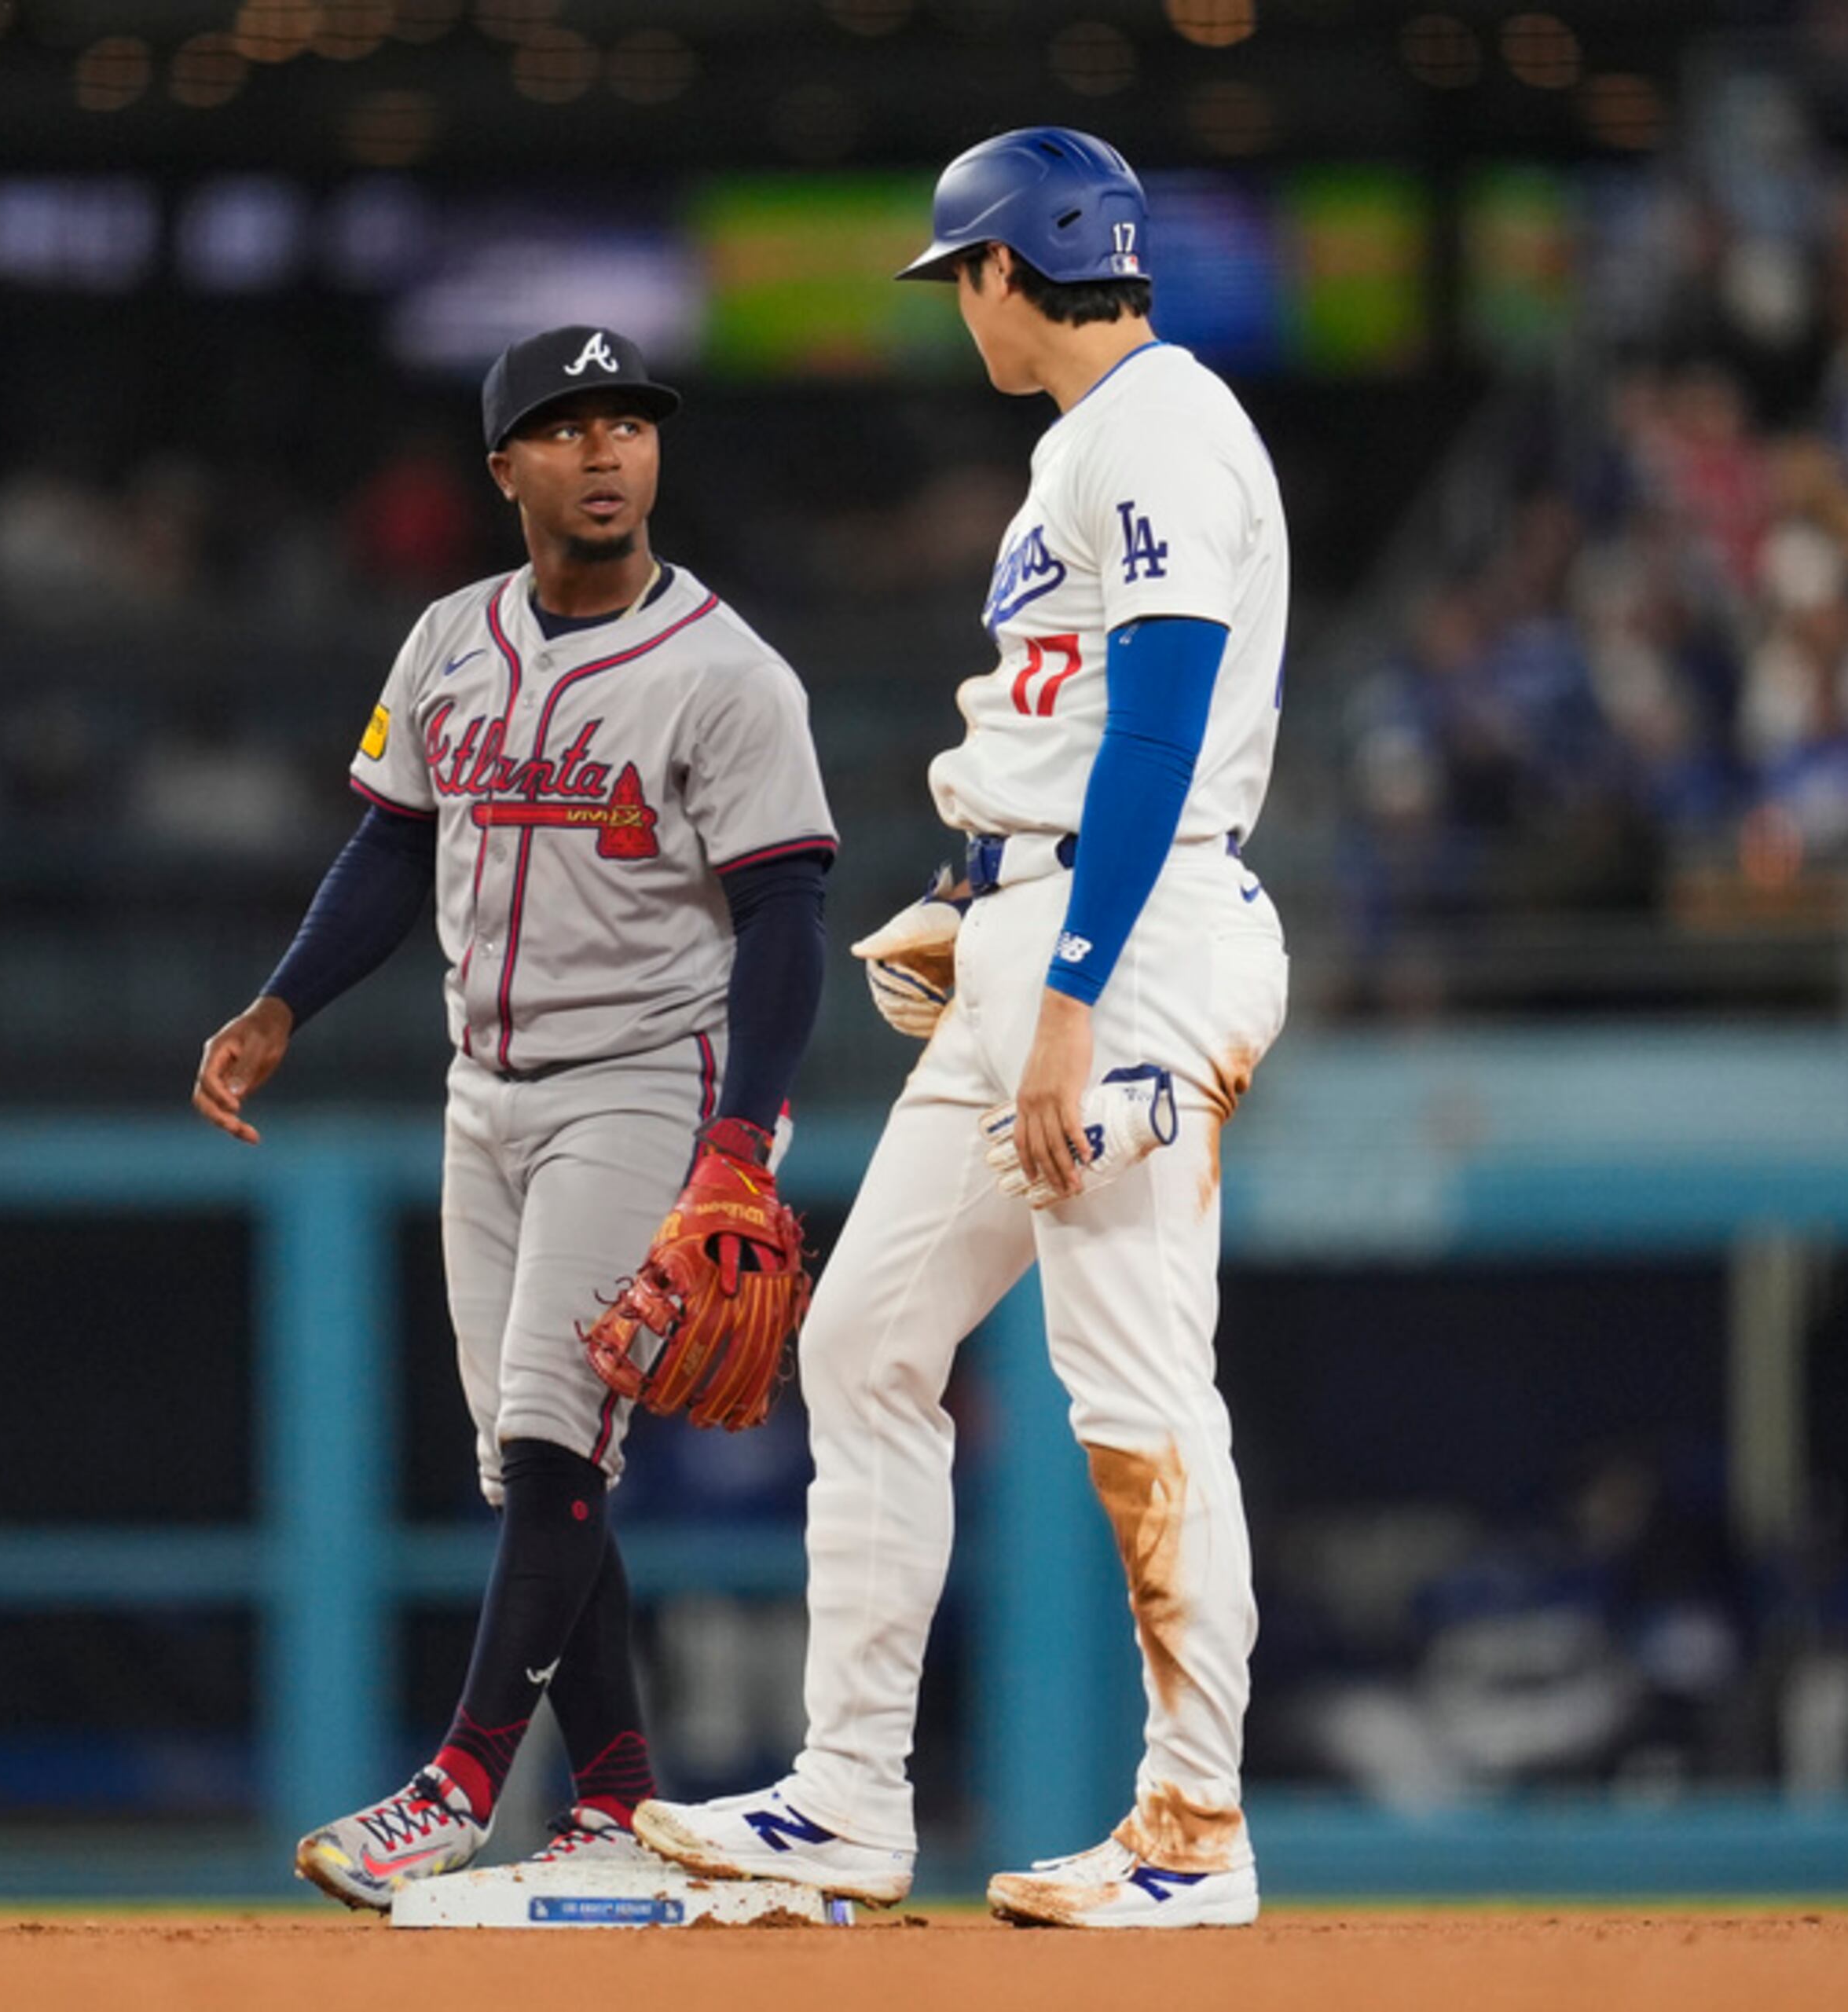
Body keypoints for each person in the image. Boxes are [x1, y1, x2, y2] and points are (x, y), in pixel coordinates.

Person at [632, 128, 1290, 1929]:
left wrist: (1066, 986)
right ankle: (845, 1802)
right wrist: (979, 895)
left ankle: (1192, 1826)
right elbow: (1077, 724)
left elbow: (1156, 729)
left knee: (1137, 1386)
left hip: (1131, 939)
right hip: (1053, 918)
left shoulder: (1154, 423)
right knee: (860, 1346)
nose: (960, 316)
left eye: (962, 281)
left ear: (1012, 270)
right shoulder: (1092, 445)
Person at [192, 325, 836, 1908]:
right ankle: (619, 1802)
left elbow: (789, 917)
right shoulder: (447, 641)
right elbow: (391, 848)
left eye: (630, 422)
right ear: (506, 470)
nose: (607, 450)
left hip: (643, 1079)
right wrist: (283, 1004)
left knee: (556, 1427)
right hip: (483, 1088)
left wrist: (740, 1141)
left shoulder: (728, 671)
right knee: (543, 1469)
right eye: (568, 427)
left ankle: (461, 1780)